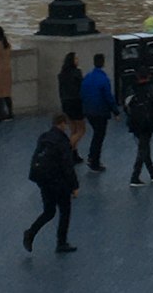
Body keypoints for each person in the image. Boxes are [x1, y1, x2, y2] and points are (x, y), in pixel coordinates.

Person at [23, 113, 78, 254]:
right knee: (65, 210)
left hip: (43, 178)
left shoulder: (44, 137)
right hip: (58, 180)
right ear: (62, 124)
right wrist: (74, 186)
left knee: (49, 211)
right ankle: (61, 242)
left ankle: (31, 232)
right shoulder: (62, 141)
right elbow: (67, 166)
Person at [81, 52, 120, 172]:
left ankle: (92, 158)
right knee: (99, 136)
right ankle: (94, 161)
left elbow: (82, 93)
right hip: (100, 112)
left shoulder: (87, 77)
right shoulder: (104, 79)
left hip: (88, 111)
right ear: (103, 63)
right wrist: (116, 111)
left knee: (96, 134)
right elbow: (108, 97)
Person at [125, 69, 153, 185]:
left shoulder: (131, 89)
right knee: (143, 149)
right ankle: (135, 176)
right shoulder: (150, 89)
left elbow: (126, 106)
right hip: (147, 123)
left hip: (135, 123)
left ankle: (152, 172)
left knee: (144, 146)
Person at [57, 51, 86, 161]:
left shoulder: (61, 74)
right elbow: (81, 88)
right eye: (76, 59)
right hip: (76, 103)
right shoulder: (77, 73)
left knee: (73, 129)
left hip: (65, 103)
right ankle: (68, 149)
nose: (78, 61)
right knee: (81, 130)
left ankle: (74, 154)